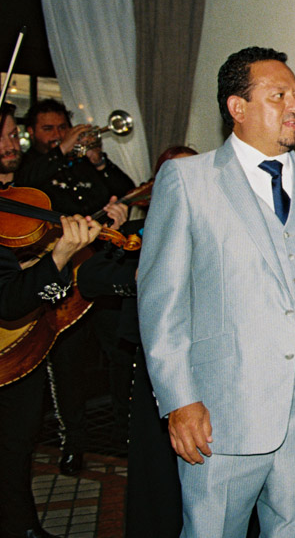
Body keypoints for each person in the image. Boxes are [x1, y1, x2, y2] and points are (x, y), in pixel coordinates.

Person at [137, 46, 295, 538]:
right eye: (278, 96)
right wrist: (180, 400)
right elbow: (160, 302)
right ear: (238, 108)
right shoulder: (188, 181)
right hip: (224, 406)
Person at [77, 145, 197, 538]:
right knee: (157, 469)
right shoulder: (135, 233)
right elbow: (91, 280)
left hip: (206, 365)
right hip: (152, 370)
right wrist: (141, 275)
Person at [0, 101, 105, 538]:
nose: (12, 144)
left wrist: (58, 264)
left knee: (17, 443)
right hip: (7, 334)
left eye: (11, 135)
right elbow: (7, 299)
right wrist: (59, 256)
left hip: (21, 342)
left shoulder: (16, 192)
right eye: (3, 136)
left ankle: (21, 524)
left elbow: (34, 288)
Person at [17, 98, 135, 475]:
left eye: (60, 127)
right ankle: (73, 443)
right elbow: (27, 186)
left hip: (97, 271)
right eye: (47, 129)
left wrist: (99, 160)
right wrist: (62, 149)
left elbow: (124, 189)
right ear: (33, 133)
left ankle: (125, 434)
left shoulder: (83, 164)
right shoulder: (29, 167)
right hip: (59, 278)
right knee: (66, 366)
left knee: (120, 350)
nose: (55, 134)